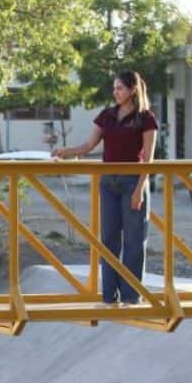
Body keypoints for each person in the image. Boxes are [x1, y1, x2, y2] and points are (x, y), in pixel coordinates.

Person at [52, 70, 159, 306]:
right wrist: (65, 152)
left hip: (133, 181)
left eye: (120, 88)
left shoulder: (146, 118)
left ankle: (131, 296)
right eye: (114, 89)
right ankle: (109, 296)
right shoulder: (107, 116)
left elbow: (149, 158)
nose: (116, 92)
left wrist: (140, 189)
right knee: (109, 239)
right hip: (108, 182)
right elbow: (88, 145)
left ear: (132, 90)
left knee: (134, 240)